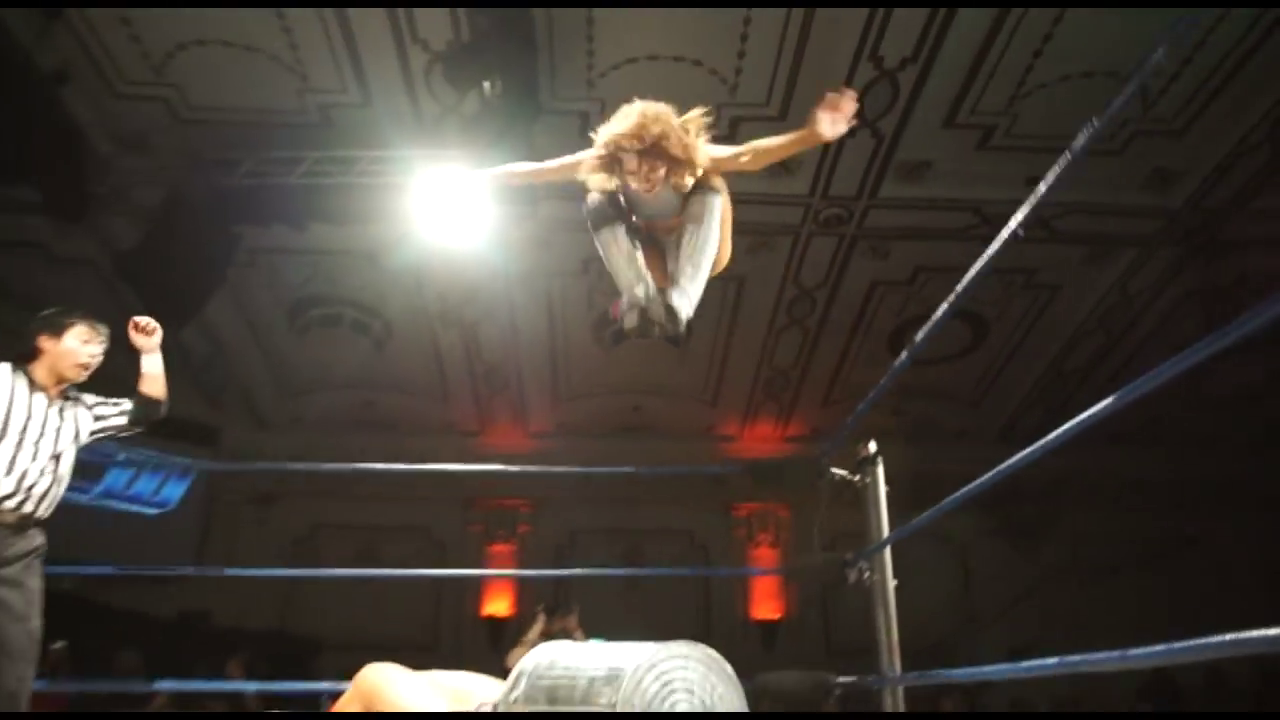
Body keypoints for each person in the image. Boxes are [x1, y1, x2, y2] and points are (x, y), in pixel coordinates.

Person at [478, 89, 860, 341]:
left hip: (701, 253)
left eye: (652, 170)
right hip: (655, 255)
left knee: (712, 183)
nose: (641, 181)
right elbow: (537, 171)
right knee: (597, 199)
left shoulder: (691, 158)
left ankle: (680, 304)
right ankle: (639, 300)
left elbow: (748, 156)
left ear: (669, 159)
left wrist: (810, 136)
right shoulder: (607, 161)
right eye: (631, 172)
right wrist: (476, 178)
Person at [0, 308, 168, 712]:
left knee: (16, 653)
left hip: (22, 543)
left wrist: (150, 352)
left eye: (103, 349)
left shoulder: (83, 410)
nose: (95, 355)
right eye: (86, 342)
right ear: (46, 341)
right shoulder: (3, 381)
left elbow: (148, 410)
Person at [504, 601, 586, 671]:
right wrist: (538, 624)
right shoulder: (534, 645)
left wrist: (575, 629)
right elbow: (511, 663)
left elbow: (588, 662)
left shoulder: (570, 646)